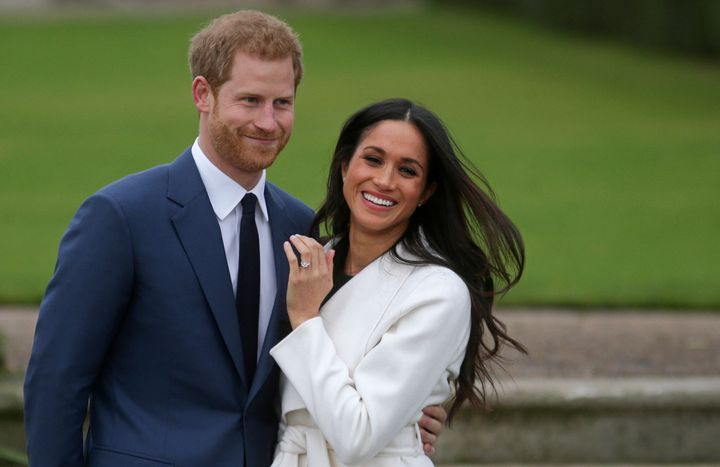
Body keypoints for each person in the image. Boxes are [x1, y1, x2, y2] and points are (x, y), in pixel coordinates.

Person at [23, 11, 444, 467]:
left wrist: (405, 413)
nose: (268, 122)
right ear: (203, 94)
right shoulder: (121, 217)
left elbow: (330, 358)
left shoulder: (302, 228)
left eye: (282, 103)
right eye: (250, 100)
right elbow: (56, 381)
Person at [268, 98, 526, 466]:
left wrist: (307, 319)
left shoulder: (437, 292)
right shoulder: (308, 265)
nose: (384, 181)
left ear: (426, 192)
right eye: (373, 159)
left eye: (407, 171)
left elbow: (358, 436)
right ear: (345, 166)